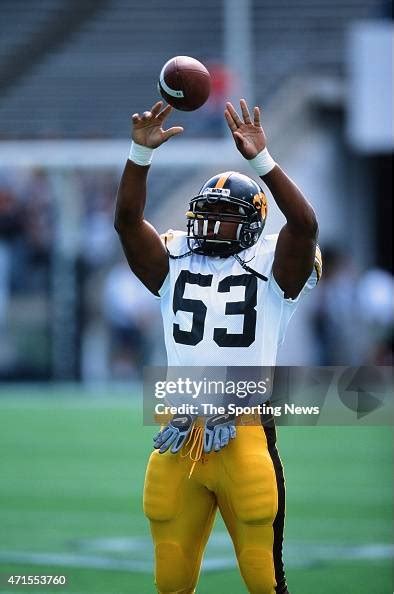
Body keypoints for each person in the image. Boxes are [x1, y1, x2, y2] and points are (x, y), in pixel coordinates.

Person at [115, 98, 321, 594]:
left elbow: (305, 225)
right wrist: (139, 155)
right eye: (205, 214)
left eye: (224, 217)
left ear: (250, 224)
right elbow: (126, 222)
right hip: (178, 431)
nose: (208, 225)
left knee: (263, 581)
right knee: (171, 579)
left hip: (243, 433)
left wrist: (262, 161)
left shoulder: (275, 266)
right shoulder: (174, 259)